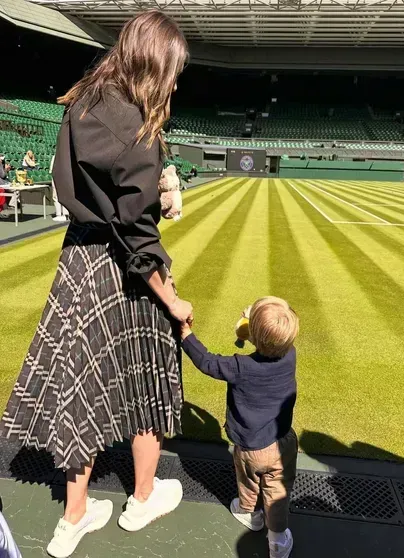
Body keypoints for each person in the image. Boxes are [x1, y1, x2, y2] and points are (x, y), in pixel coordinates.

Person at [0, 11, 191, 558]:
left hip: (79, 259)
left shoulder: (85, 98)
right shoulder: (136, 127)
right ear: (155, 64)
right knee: (148, 382)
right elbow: (134, 230)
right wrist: (173, 300)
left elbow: (90, 192)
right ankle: (144, 497)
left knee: (82, 385)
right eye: (173, 71)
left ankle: (74, 517)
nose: (175, 82)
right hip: (125, 266)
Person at [181, 297, 299, 558]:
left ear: (253, 333)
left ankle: (250, 513)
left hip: (248, 447)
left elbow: (207, 362)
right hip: (283, 443)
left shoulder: (240, 367)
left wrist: (186, 334)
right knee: (278, 492)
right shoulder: (290, 355)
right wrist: (256, 325)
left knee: (247, 481)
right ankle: (277, 543)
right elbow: (272, 340)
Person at [50, 155, 69, 222]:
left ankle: (60, 215)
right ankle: (65, 214)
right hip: (66, 176)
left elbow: (52, 170)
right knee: (64, 196)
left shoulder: (56, 156)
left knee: (56, 196)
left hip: (57, 176)